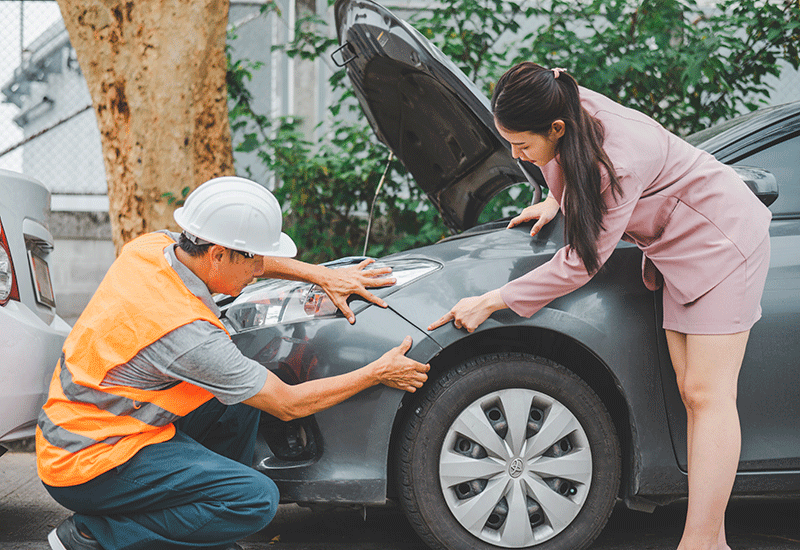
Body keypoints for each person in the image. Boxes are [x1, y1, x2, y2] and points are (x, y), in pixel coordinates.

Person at [428, 62, 771, 550]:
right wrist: (556, 199)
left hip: (720, 237)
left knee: (708, 395)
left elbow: (581, 262)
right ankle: (711, 541)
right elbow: (563, 163)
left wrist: (493, 300)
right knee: (692, 394)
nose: (514, 154)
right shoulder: (558, 97)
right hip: (672, 244)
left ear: (556, 129)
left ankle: (699, 543)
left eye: (522, 145)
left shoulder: (619, 159)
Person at [38, 176, 430, 550]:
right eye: (253, 260)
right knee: (255, 501)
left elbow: (241, 256)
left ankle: (207, 529)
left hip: (86, 427)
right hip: (90, 462)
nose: (259, 269)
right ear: (218, 255)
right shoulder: (185, 331)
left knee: (241, 399)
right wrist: (376, 372)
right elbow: (288, 403)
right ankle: (93, 535)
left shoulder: (152, 249)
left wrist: (321, 275)